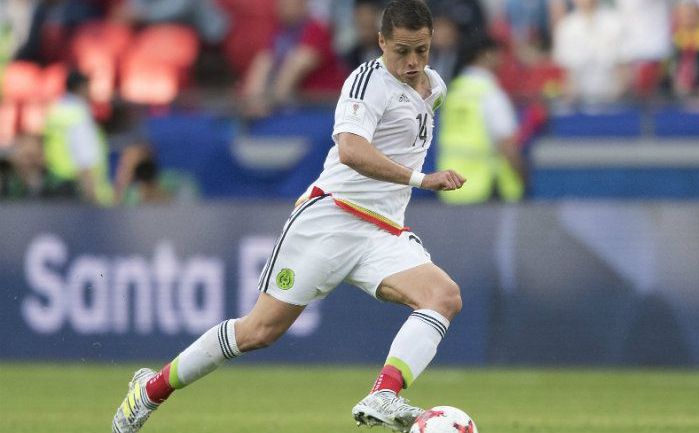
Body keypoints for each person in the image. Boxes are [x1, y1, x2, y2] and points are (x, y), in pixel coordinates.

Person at [111, 1, 466, 433]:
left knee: (443, 297)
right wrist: (420, 179)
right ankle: (150, 390)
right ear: (380, 43)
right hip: (331, 219)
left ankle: (383, 393)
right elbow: (352, 151)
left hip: (383, 231)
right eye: (401, 51)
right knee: (258, 332)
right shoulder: (366, 83)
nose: (412, 63)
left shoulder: (435, 88)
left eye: (422, 51)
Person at [437, 33, 525, 204]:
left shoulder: (453, 92)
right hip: (485, 188)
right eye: (498, 53)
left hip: (450, 189)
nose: (501, 59)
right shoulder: (490, 94)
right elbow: (507, 145)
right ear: (486, 55)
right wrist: (523, 178)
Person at [240, 0, 349, 117]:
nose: (281, 6)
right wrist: (251, 103)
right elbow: (262, 65)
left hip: (325, 108)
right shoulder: (279, 33)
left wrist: (267, 106)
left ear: (302, 3)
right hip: (295, 108)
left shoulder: (316, 29)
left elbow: (292, 72)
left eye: (287, 2)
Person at [42, 69, 113, 205]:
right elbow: (84, 160)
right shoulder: (78, 115)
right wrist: (93, 199)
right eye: (88, 87)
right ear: (81, 88)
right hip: (79, 191)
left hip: (58, 185)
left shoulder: (56, 110)